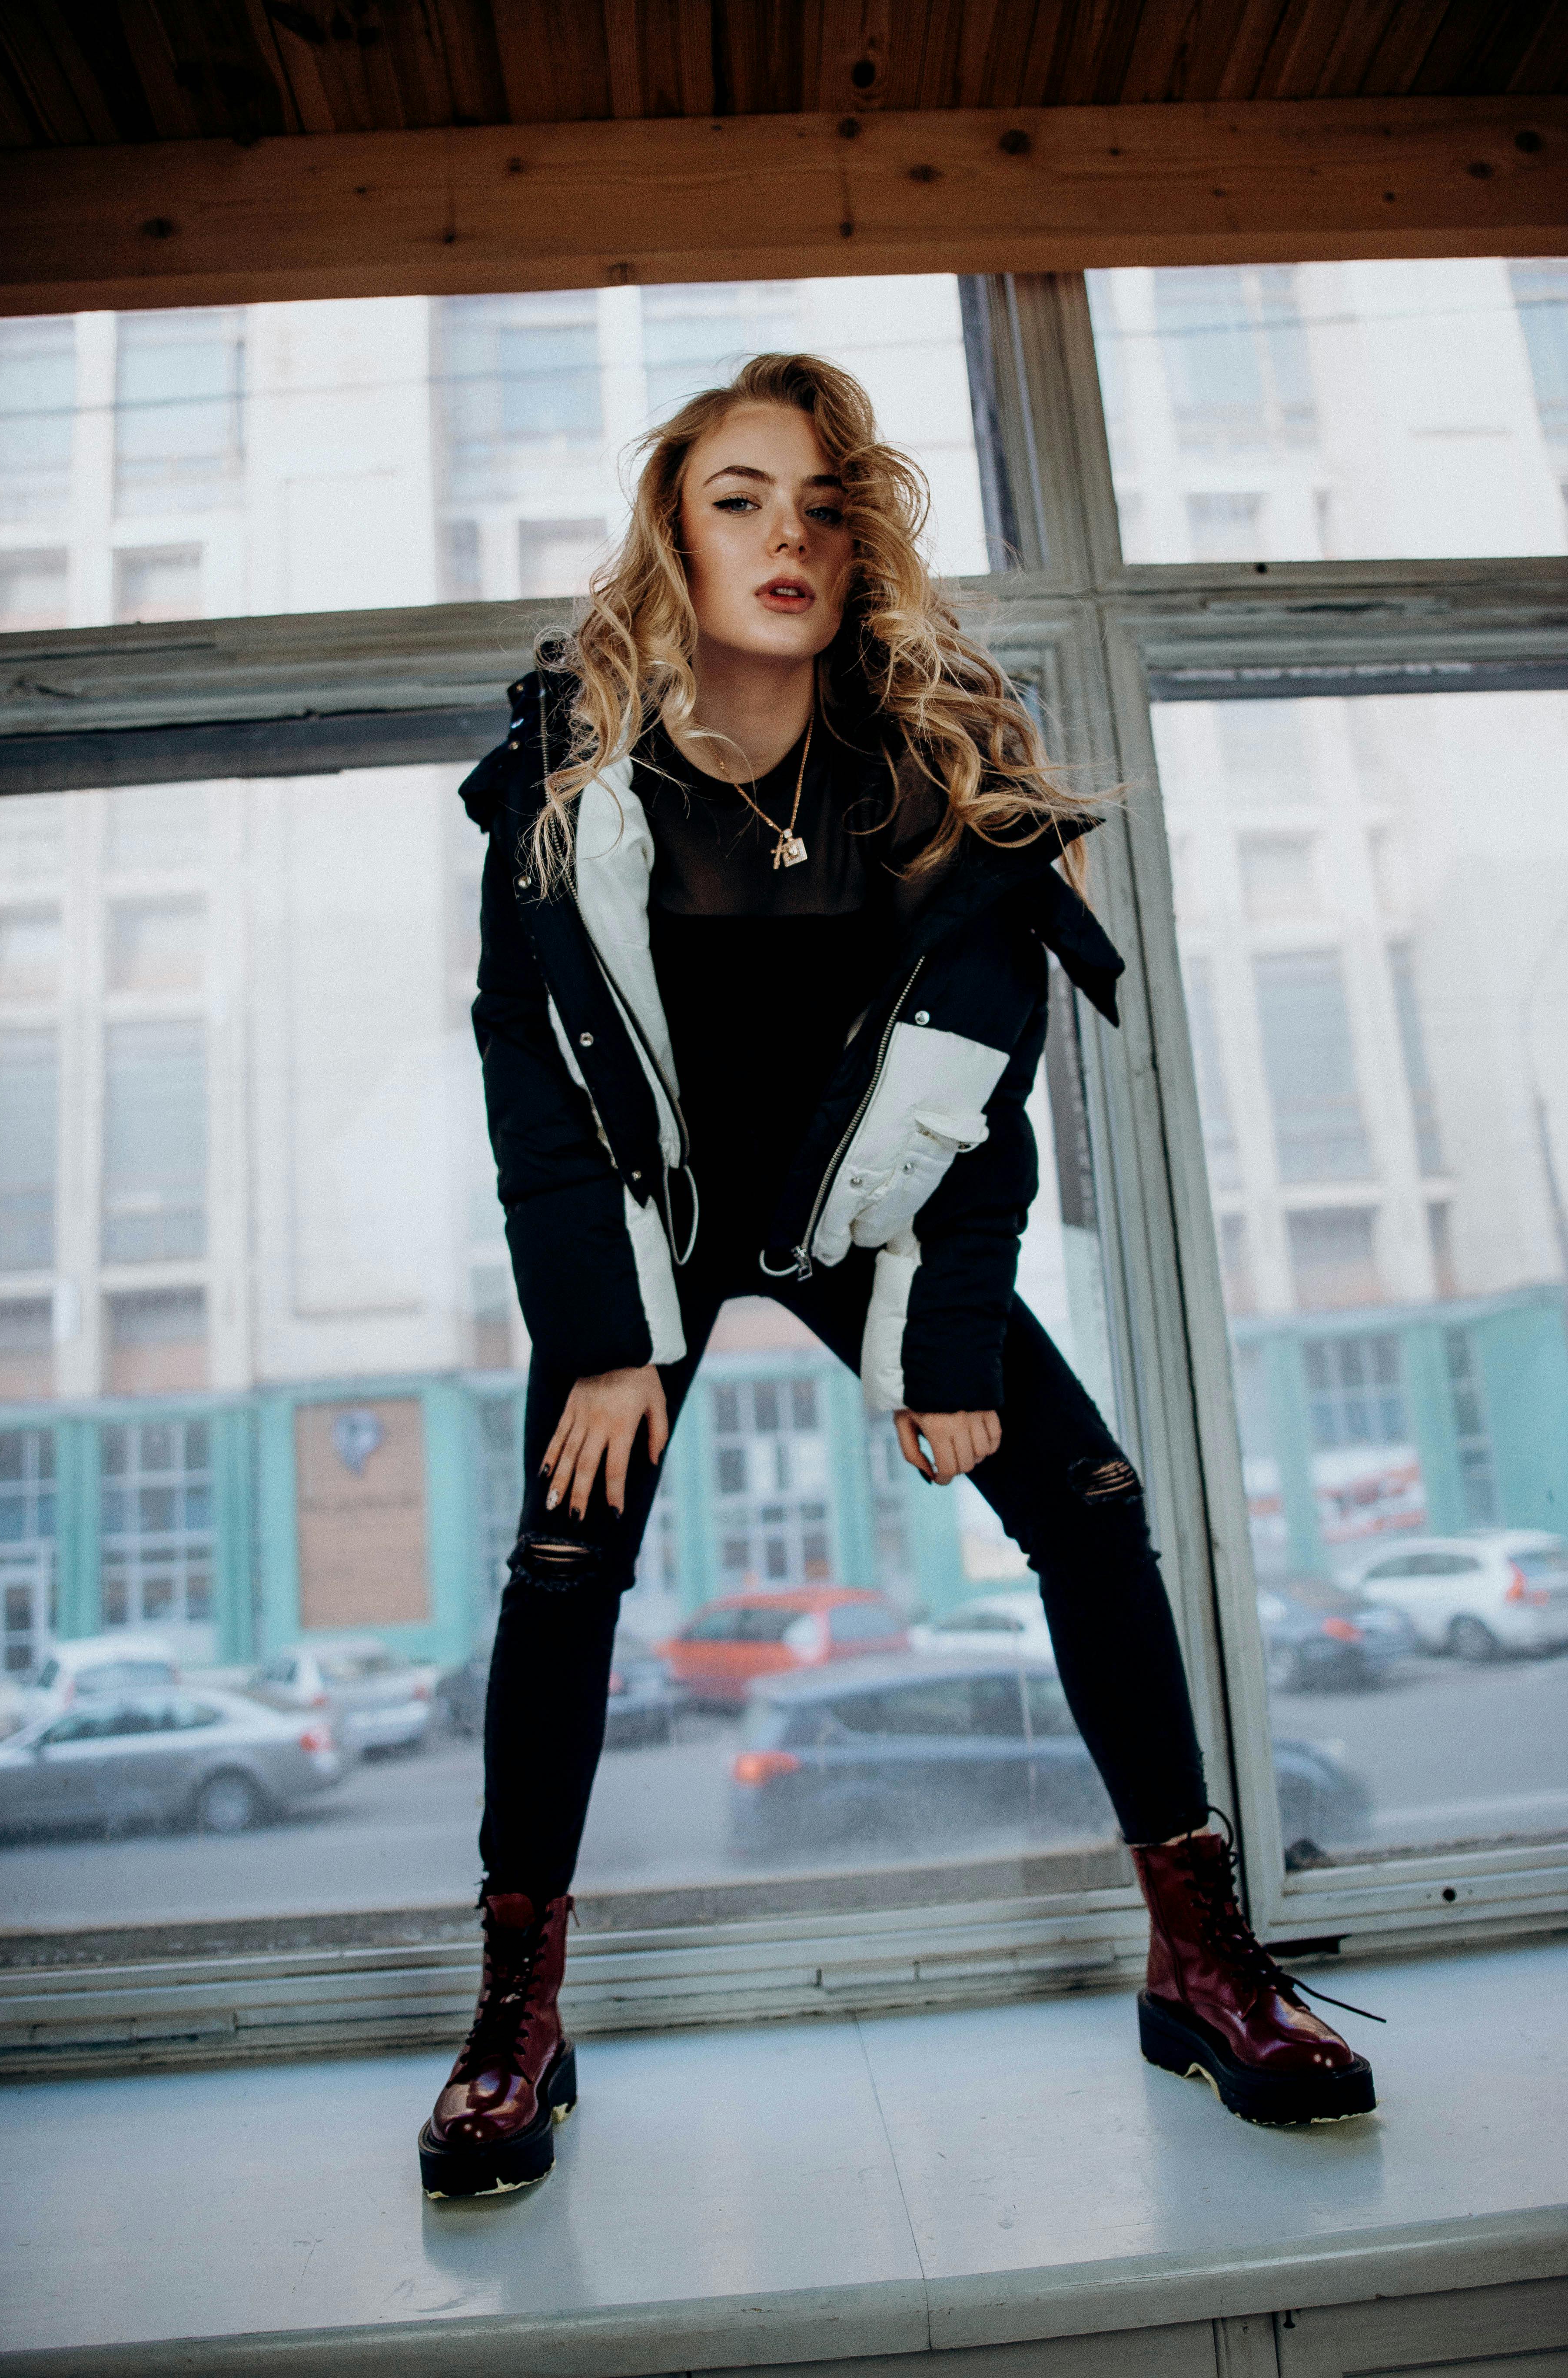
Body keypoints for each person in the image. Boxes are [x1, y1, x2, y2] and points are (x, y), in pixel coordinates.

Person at [418, 354, 1376, 2200]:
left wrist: (945, 1338)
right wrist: (605, 1338)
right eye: (740, 500)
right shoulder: (563, 769)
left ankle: (1204, 1962)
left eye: (825, 507)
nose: (788, 536)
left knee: (1092, 1507)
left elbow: (978, 1087)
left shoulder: (935, 764)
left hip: (867, 1213)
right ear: (674, 532)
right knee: (563, 1562)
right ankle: (513, 2015)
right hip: (654, 1220)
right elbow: (530, 1066)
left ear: (861, 547)